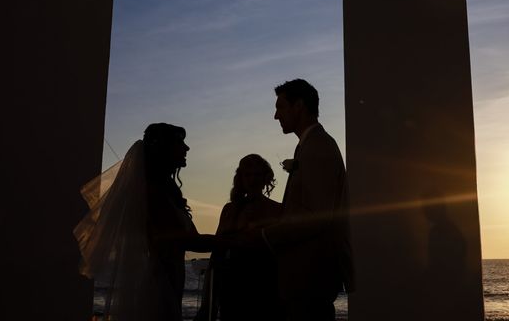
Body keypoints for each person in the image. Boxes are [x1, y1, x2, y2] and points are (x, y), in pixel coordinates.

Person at [74, 123, 214, 321]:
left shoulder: (165, 192)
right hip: (156, 287)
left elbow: (192, 237)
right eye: (180, 143)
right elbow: (179, 240)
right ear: (163, 149)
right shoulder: (152, 193)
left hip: (170, 283)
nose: (186, 148)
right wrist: (233, 241)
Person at [261, 79, 353, 321]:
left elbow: (316, 216)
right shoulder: (308, 146)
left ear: (299, 106)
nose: (275, 116)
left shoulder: (319, 146)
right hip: (305, 274)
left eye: (280, 107)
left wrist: (265, 236)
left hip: (310, 274)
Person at [199, 154, 284, 321]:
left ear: (265, 177)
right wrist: (209, 301)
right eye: (248, 175)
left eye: (257, 174)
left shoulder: (277, 209)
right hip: (231, 283)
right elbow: (217, 252)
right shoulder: (229, 210)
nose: (253, 180)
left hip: (265, 282)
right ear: (241, 178)